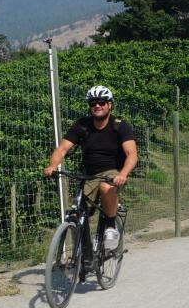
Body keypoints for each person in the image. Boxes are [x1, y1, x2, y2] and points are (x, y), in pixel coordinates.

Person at [43, 84, 137, 255]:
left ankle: (110, 225)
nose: (97, 106)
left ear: (110, 105)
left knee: (106, 187)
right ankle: (85, 257)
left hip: (113, 172)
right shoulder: (82, 125)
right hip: (89, 174)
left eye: (102, 102)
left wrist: (123, 175)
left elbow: (131, 154)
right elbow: (62, 149)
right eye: (93, 103)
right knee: (77, 212)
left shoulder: (120, 126)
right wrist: (52, 166)